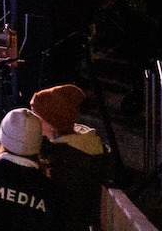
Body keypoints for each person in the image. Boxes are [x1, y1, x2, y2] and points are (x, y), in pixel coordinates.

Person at [30, 84, 111, 231]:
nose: (31, 119)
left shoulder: (63, 156)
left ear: (52, 121)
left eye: (36, 115)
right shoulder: (85, 143)